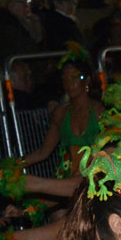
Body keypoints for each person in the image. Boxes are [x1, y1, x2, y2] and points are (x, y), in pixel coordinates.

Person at [19, 45, 104, 180]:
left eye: (74, 77)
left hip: (93, 179)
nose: (69, 83)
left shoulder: (100, 111)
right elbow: (43, 152)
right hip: (64, 179)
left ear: (87, 80)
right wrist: (14, 165)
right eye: (65, 79)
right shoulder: (61, 112)